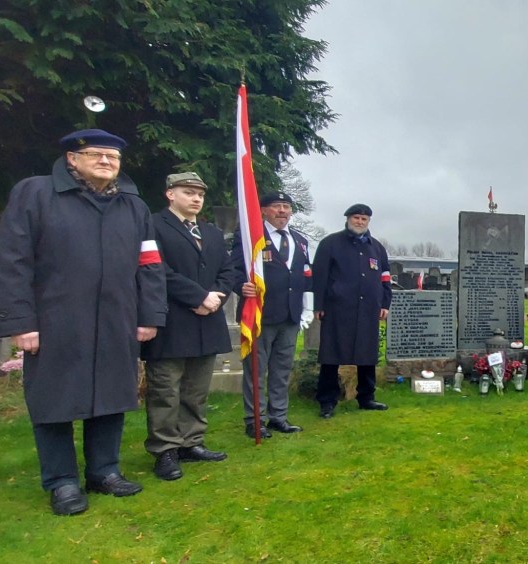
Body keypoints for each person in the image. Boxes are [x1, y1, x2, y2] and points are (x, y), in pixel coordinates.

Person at [0, 129, 167, 516]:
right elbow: (11, 259)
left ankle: (104, 471)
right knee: (54, 400)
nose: (106, 161)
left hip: (117, 318)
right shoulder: (35, 194)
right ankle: (62, 481)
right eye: (96, 154)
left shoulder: (133, 206)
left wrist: (149, 315)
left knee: (111, 396)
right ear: (72, 159)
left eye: (113, 157)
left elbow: (150, 265)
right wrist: (20, 320)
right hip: (55, 319)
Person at [141, 172, 239, 480]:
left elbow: (228, 269)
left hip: (206, 322)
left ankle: (191, 442)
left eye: (200, 194)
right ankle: (165, 450)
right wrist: (198, 296)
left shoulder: (209, 232)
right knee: (165, 390)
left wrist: (215, 299)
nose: (196, 198)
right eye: (188, 192)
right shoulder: (154, 226)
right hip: (172, 320)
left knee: (196, 390)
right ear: (170, 194)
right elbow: (157, 270)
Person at [233, 191, 313, 439]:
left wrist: (307, 308)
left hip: (290, 316)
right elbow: (234, 269)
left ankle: (279, 416)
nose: (282, 211)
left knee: (281, 369)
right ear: (265, 210)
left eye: (286, 206)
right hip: (260, 315)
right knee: (256, 371)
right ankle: (255, 419)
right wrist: (240, 286)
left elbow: (306, 277)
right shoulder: (250, 238)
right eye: (277, 206)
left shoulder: (300, 240)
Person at [311, 203, 392, 418]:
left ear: (368, 222)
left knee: (367, 355)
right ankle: (327, 401)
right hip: (338, 308)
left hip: (368, 308)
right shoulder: (330, 243)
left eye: (364, 219)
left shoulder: (377, 247)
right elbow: (319, 276)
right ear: (348, 219)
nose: (360, 222)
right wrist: (318, 305)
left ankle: (366, 397)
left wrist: (385, 303)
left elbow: (385, 277)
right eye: (356, 218)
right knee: (331, 355)